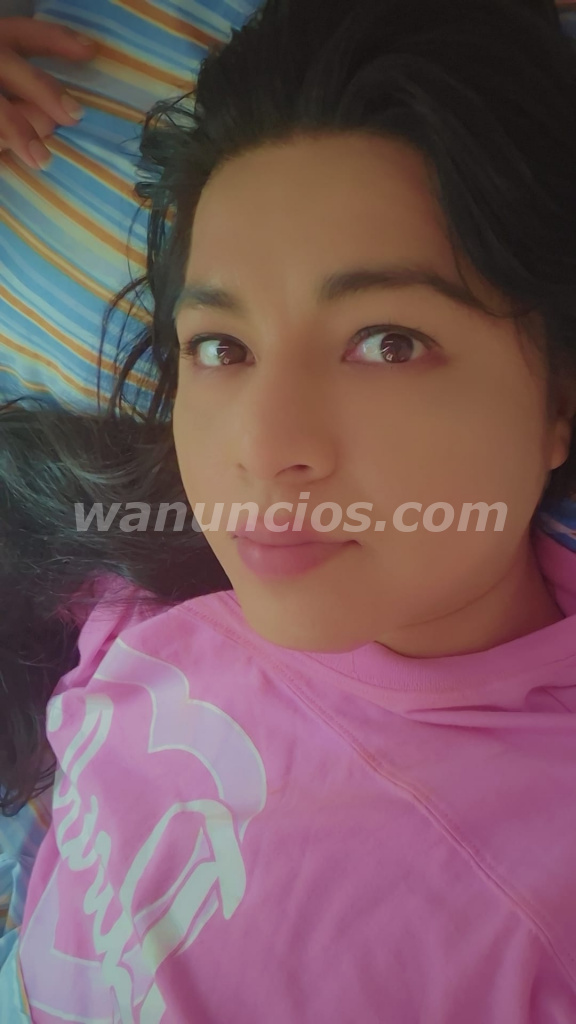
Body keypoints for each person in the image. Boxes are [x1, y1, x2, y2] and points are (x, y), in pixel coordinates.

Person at [2, 0, 576, 1018]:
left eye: (387, 342)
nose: (264, 452)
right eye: (220, 348)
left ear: (559, 399)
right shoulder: (146, 589)